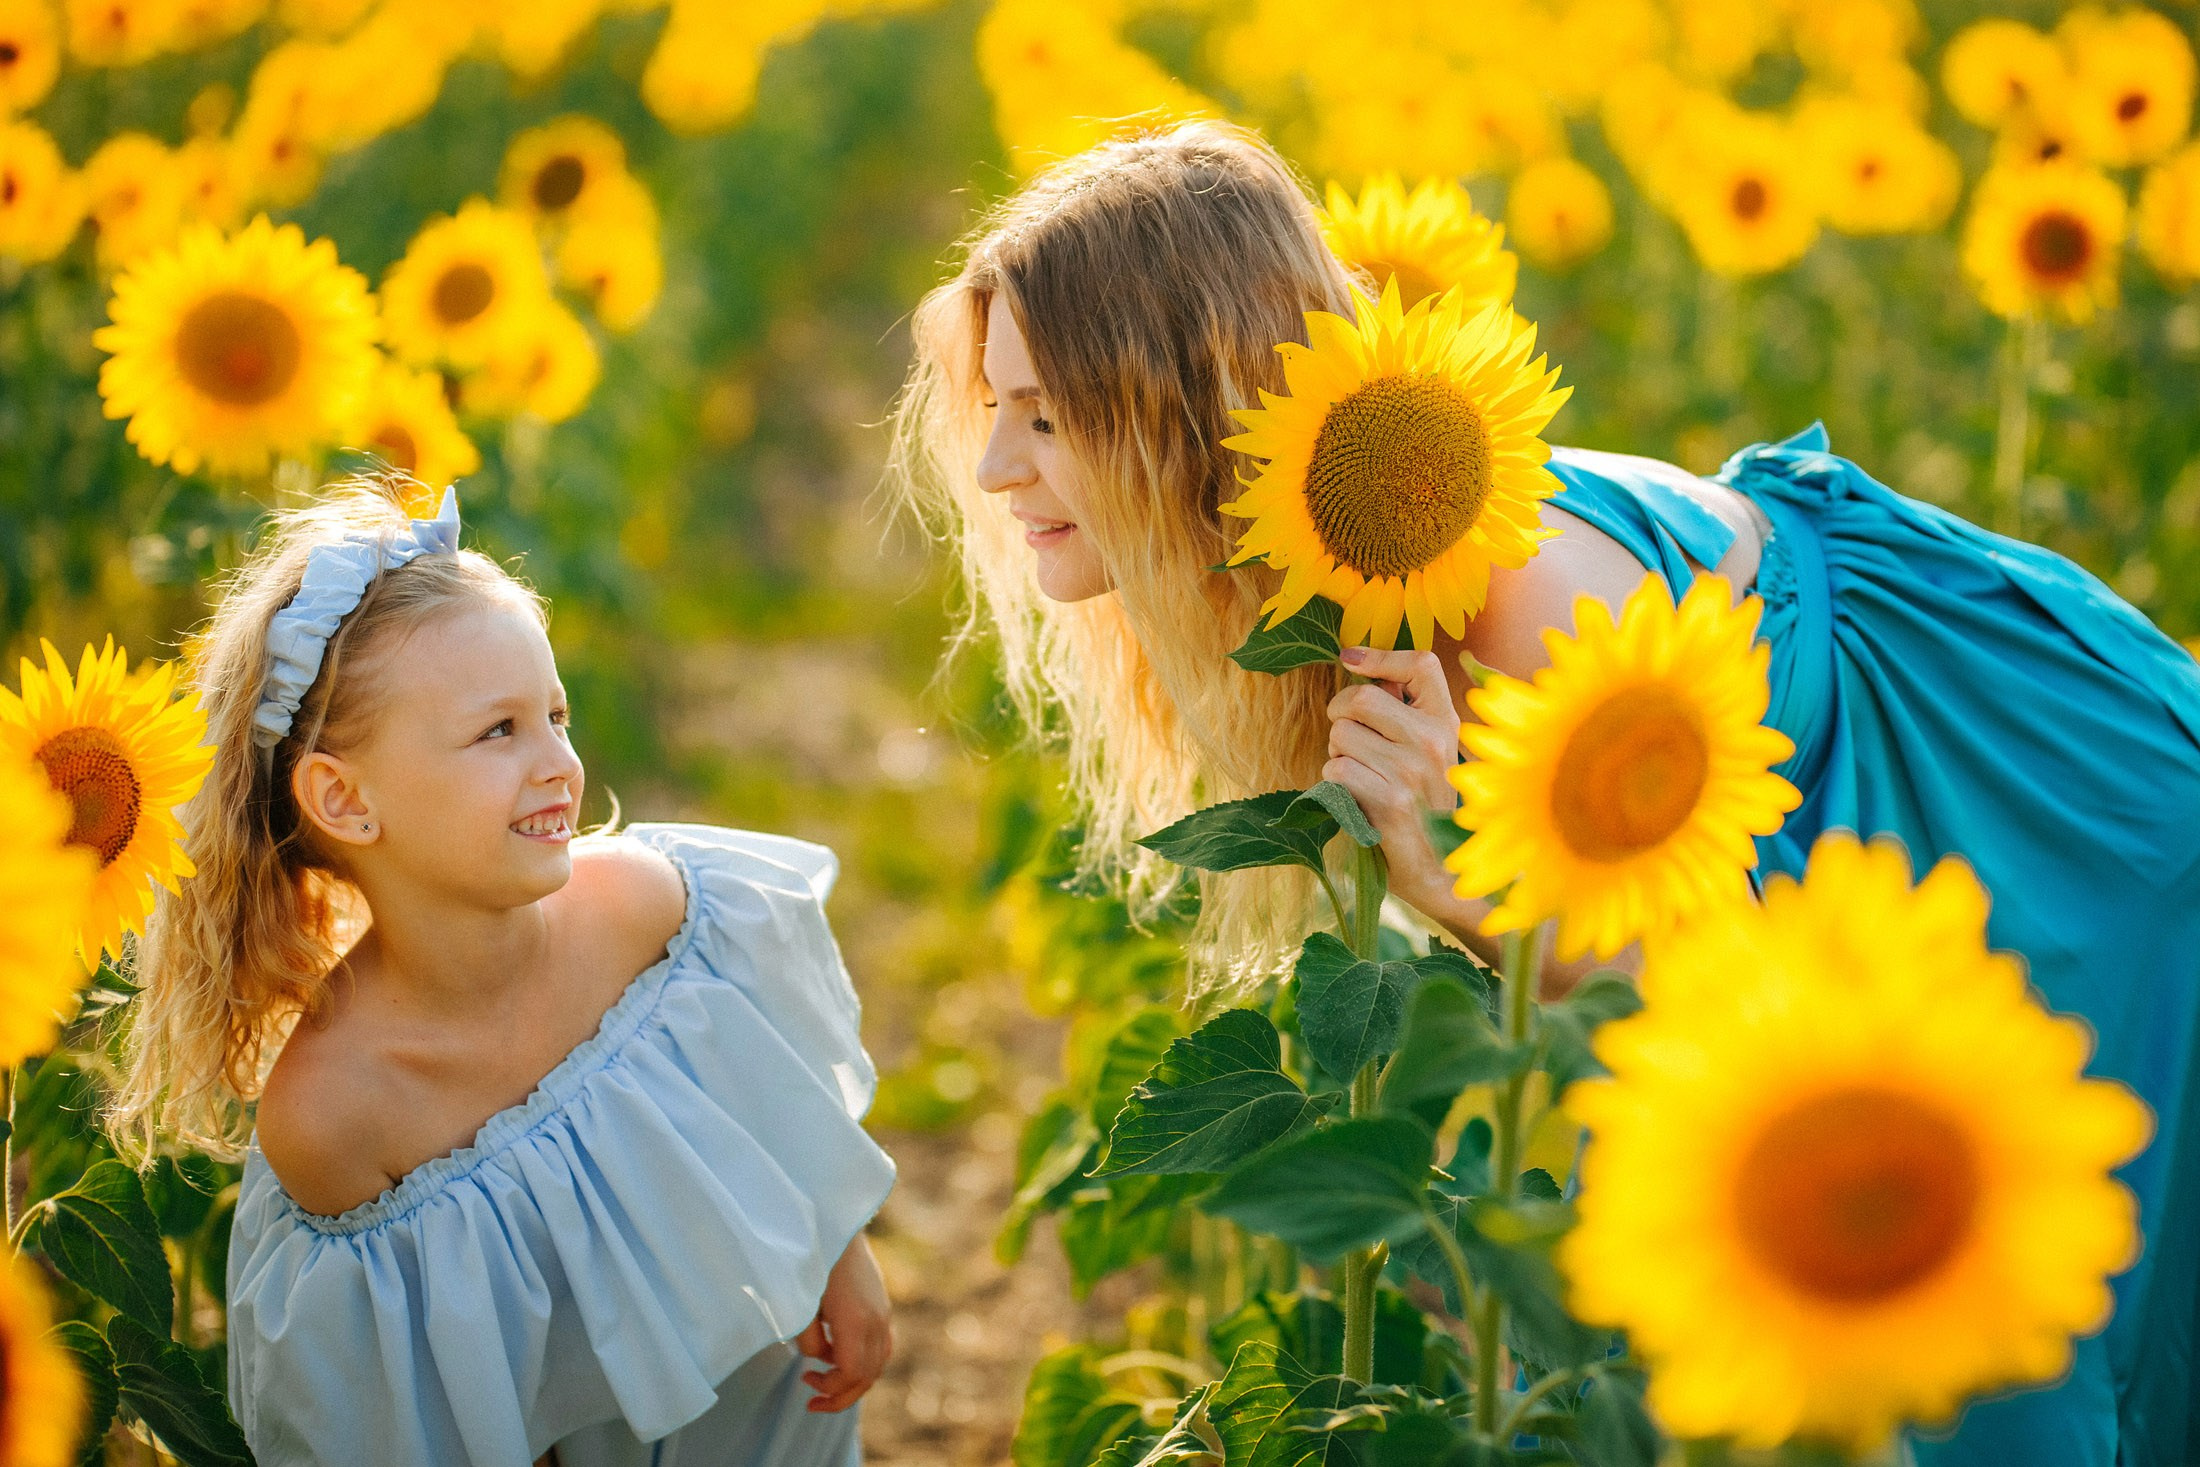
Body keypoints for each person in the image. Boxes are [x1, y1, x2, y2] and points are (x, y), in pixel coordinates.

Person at [889, 119, 2200, 1466]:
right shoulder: (1327, 545)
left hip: (2027, 799)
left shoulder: (1514, 602)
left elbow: (1715, 1020)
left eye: (1047, 419)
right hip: (1870, 831)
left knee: (1979, 1283)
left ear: (1180, 410)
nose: (996, 468)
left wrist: (1459, 894)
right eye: (996, 408)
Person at [110, 480, 897, 1466]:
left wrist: (839, 1255)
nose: (561, 763)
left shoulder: (645, 911)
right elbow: (417, 1410)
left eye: (556, 715)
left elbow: (767, 1108)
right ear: (346, 800)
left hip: (757, 1413)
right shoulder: (337, 1111)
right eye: (500, 732)